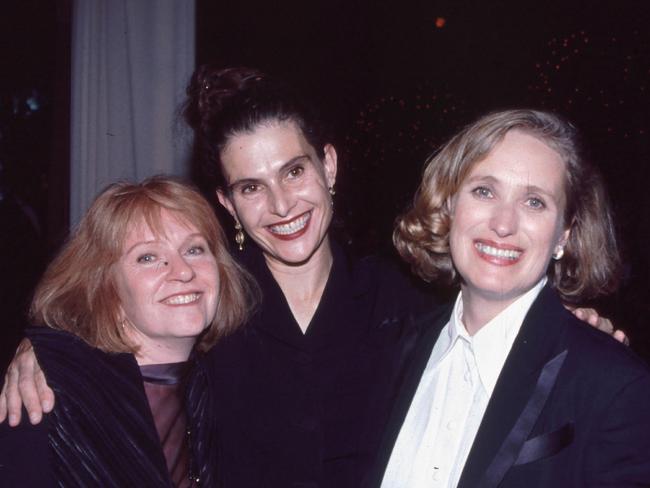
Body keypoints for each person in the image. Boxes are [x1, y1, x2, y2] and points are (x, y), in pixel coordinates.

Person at [0, 70, 623, 487]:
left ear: (327, 164)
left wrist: (566, 325)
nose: (281, 205)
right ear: (228, 203)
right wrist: (45, 348)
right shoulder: (207, 303)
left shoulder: (407, 296)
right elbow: (125, 343)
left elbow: (500, 334)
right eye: (251, 187)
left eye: (294, 171)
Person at [367, 109, 650, 487]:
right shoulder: (392, 350)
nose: (503, 224)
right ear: (450, 205)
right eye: (484, 191)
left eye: (534, 202)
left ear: (564, 234)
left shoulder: (615, 386)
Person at [0, 176, 254, 486]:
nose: (183, 271)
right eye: (148, 257)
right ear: (108, 288)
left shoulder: (219, 384)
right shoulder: (47, 394)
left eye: (194, 250)